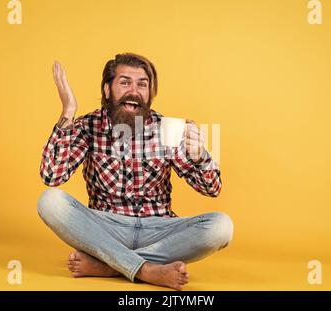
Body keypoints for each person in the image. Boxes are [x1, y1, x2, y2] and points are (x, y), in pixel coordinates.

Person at [37, 53, 233, 291]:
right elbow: (51, 175)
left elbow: (212, 189)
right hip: (106, 226)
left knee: (221, 227)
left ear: (150, 94)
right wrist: (68, 110)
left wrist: (200, 155)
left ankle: (110, 265)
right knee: (50, 201)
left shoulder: (167, 128)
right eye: (125, 82)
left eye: (142, 84)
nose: (134, 91)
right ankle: (147, 270)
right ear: (107, 89)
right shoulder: (87, 126)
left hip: (158, 229)